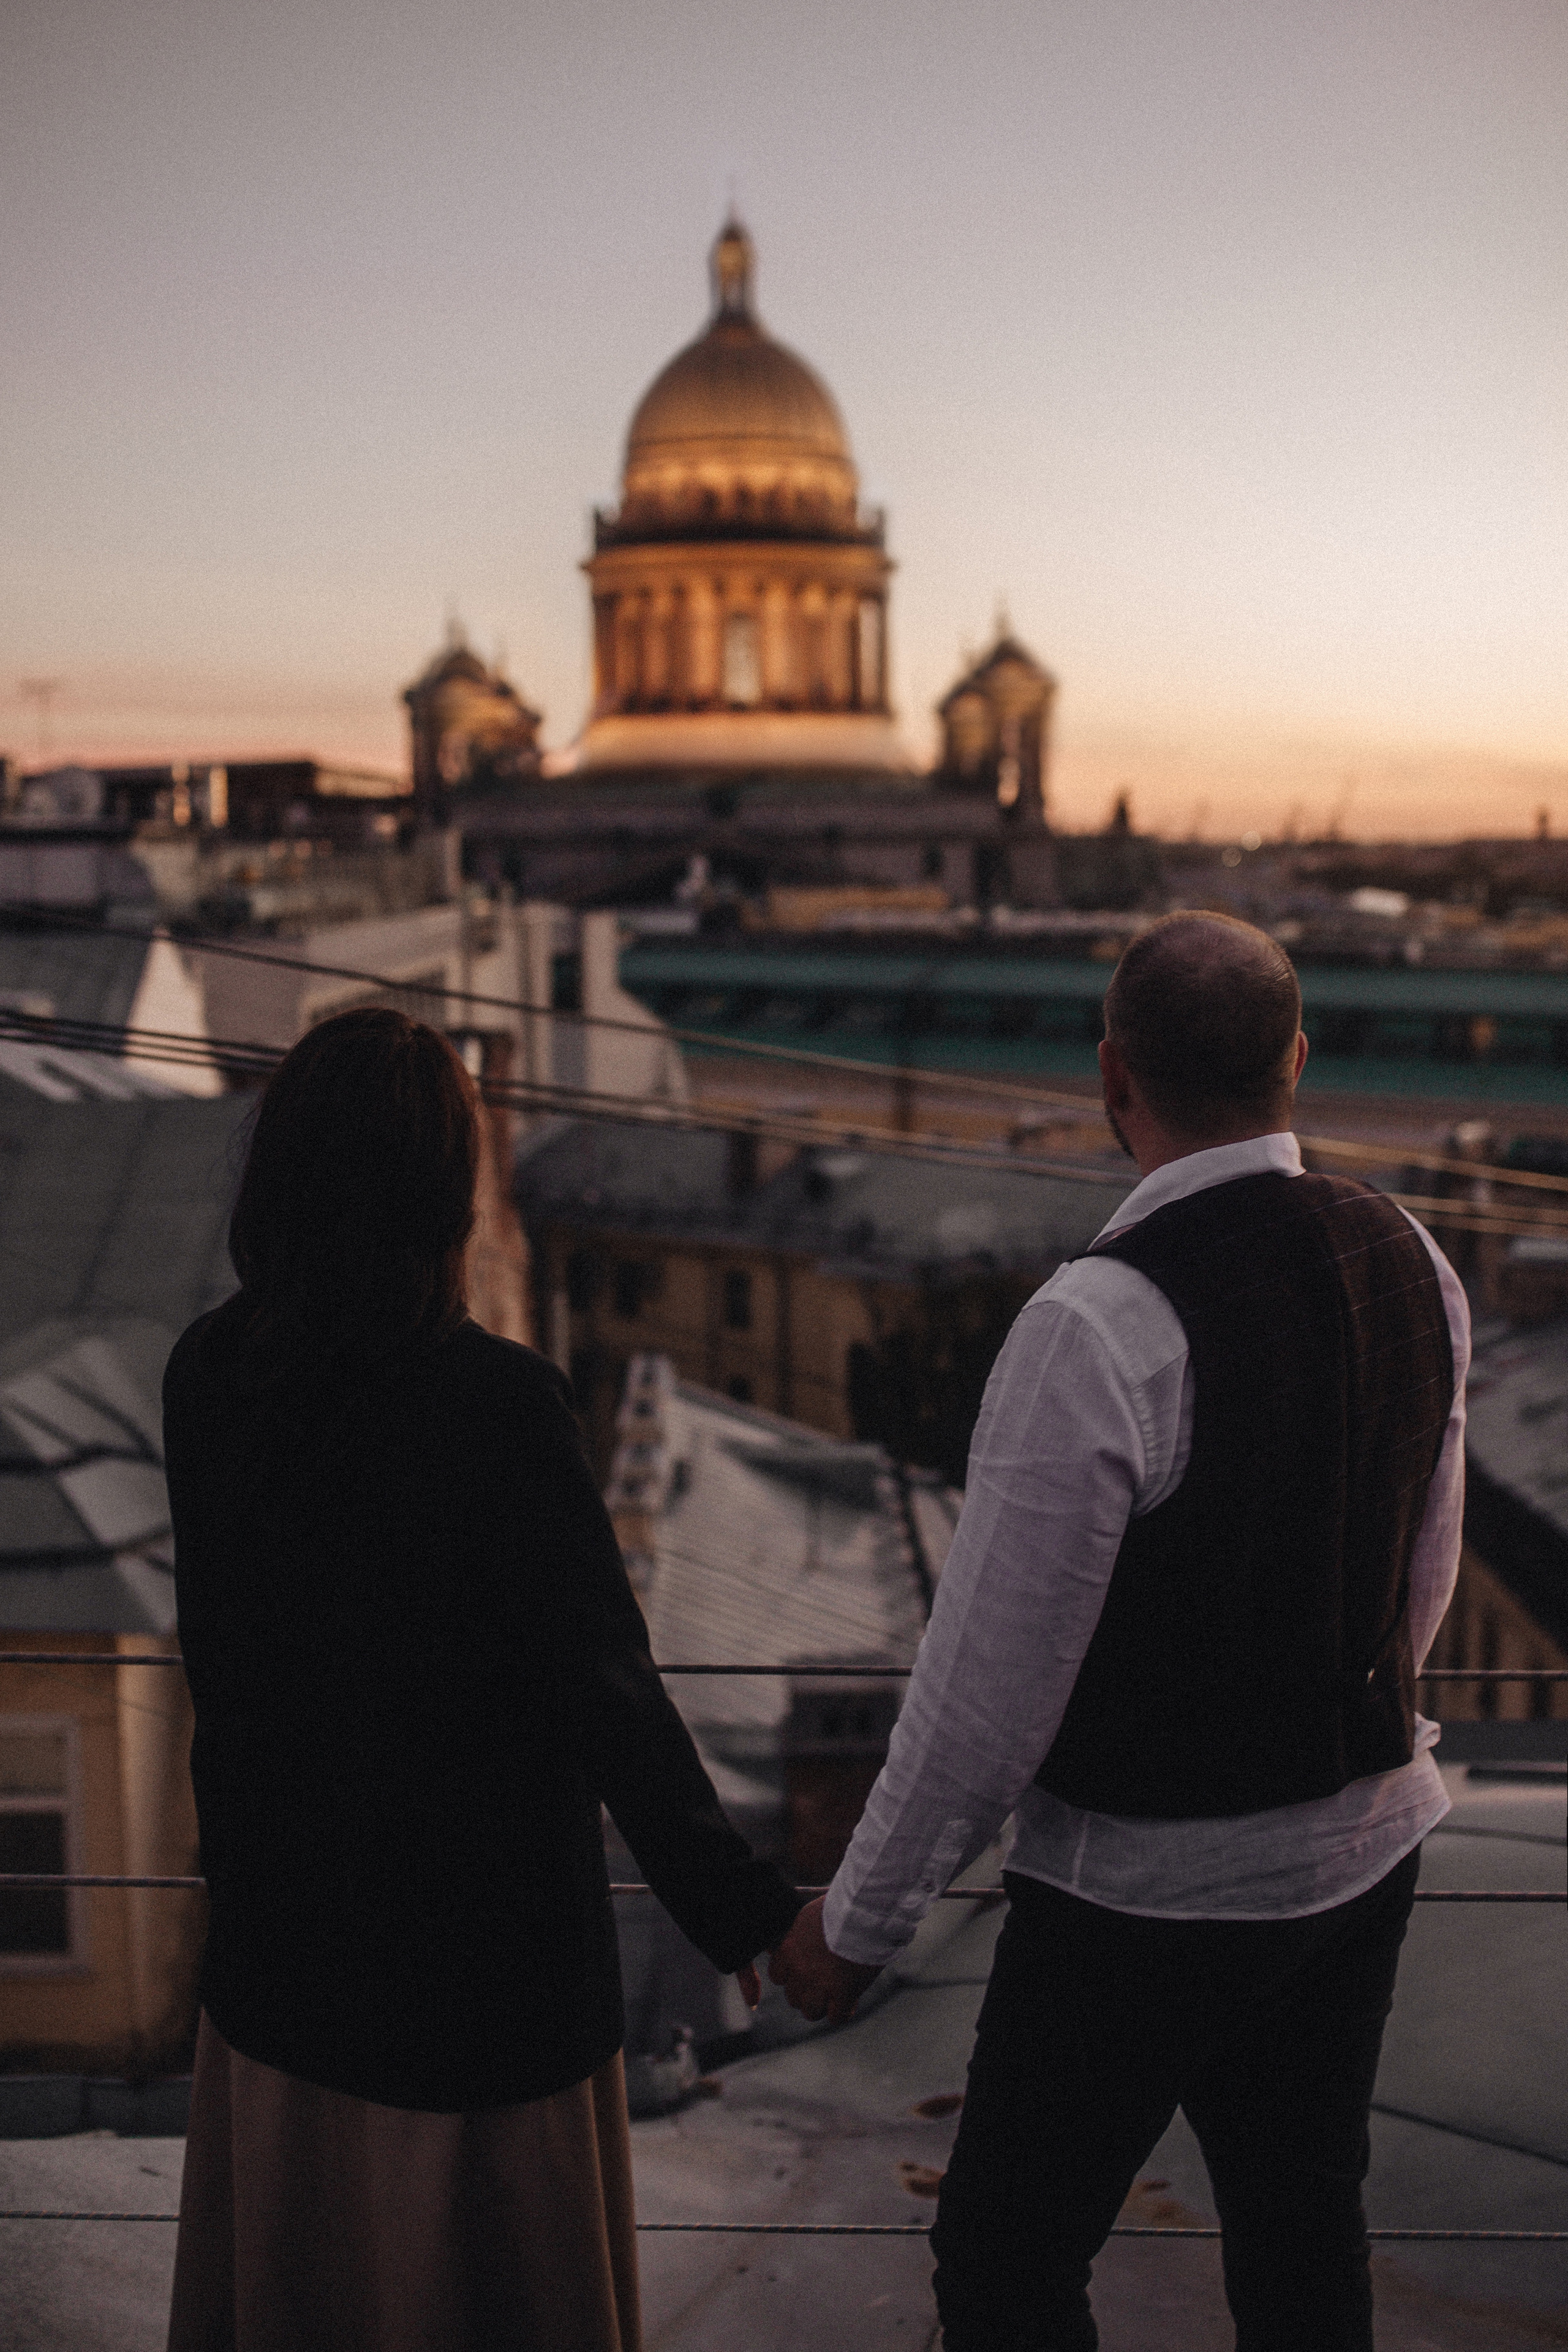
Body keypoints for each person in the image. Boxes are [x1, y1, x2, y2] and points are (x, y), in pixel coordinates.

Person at [769, 911, 1468, 2352]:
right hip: (1361, 1848)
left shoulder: (1091, 1327)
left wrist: (857, 1926)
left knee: (1005, 2262)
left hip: (1143, 1898)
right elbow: (1421, 1581)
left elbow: (983, 1703)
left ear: (1110, 1077)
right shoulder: (1409, 1251)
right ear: (1295, 1056)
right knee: (1299, 2228)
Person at [164, 1010, 799, 2352]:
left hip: (286, 1963)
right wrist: (748, 1916)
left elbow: (225, 1659)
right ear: (443, 1194)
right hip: (481, 1992)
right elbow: (606, 1695)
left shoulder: (208, 1376)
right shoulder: (494, 1404)